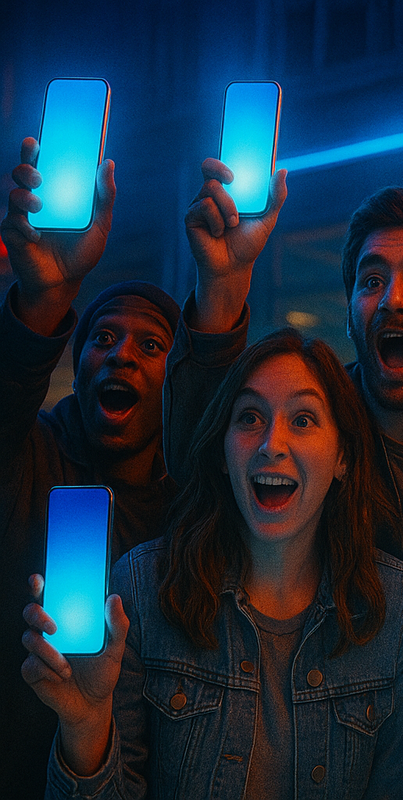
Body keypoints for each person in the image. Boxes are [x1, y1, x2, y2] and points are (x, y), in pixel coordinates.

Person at [21, 328, 403, 799]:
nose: (271, 444)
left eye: (303, 420)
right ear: (222, 450)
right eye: (250, 417)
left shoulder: (391, 602)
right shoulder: (145, 587)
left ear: (342, 457)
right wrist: (85, 724)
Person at [167, 159, 403, 614]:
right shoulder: (306, 442)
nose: (393, 299)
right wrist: (221, 282)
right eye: (372, 281)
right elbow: (198, 470)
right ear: (351, 318)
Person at [0, 137, 181, 796]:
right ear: (77, 368)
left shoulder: (189, 502)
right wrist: (46, 295)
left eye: (151, 345)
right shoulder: (30, 453)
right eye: (101, 339)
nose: (121, 355)